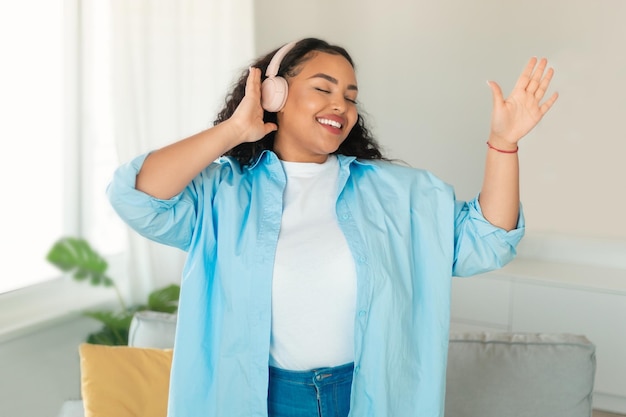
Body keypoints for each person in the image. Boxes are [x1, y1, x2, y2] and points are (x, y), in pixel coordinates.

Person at [107, 38, 558, 417]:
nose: (340, 104)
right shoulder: (222, 193)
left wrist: (504, 143)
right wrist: (233, 130)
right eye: (323, 88)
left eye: (350, 95)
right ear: (274, 95)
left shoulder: (395, 192)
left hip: (367, 394)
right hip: (260, 398)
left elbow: (489, 241)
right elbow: (135, 196)